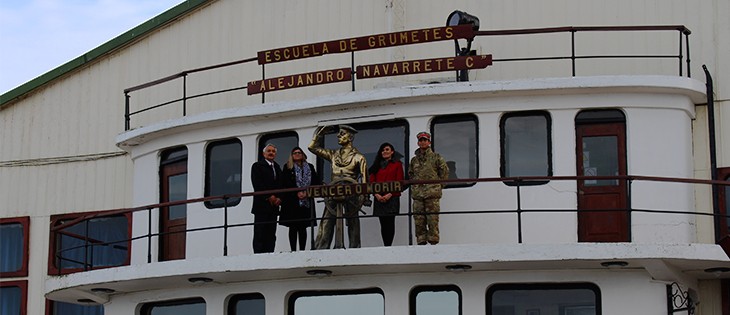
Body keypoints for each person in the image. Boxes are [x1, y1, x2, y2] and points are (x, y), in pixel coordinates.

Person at [308, 125, 368, 249]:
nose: (338, 136)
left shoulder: (359, 158)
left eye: (342, 134)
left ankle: (354, 247)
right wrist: (320, 134)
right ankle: (321, 248)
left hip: (352, 193)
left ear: (350, 137)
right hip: (333, 192)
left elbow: (364, 180)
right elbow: (312, 148)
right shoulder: (333, 155)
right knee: (326, 221)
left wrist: (365, 197)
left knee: (353, 221)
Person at [408, 131, 449, 245]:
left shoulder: (436, 157)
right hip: (418, 195)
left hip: (432, 194)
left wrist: (438, 186)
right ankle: (421, 241)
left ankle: (433, 241)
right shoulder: (414, 160)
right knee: (419, 220)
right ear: (418, 142)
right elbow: (411, 174)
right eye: (420, 140)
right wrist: (415, 186)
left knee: (432, 219)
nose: (422, 142)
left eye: (425, 140)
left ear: (429, 142)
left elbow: (444, 172)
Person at [279, 147, 321, 251]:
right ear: (292, 156)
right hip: (292, 201)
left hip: (306, 201)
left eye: (299, 153)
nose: (297, 154)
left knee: (303, 227)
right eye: (295, 153)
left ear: (303, 155)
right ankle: (293, 249)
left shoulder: (310, 167)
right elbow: (285, 183)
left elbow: (316, 181)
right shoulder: (287, 167)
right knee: (293, 227)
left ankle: (302, 249)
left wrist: (306, 193)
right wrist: (296, 192)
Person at [368, 142, 404, 246]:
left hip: (392, 197)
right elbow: (372, 181)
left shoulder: (397, 164)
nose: (384, 152)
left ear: (392, 152)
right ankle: (385, 245)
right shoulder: (376, 165)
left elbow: (399, 180)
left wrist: (390, 194)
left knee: (390, 222)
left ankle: (389, 245)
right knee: (383, 223)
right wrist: (377, 195)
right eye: (383, 150)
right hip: (379, 197)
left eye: (387, 149)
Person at [250, 143, 283, 253]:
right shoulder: (257, 166)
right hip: (261, 205)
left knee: (271, 232)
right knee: (260, 231)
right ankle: (258, 254)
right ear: (264, 153)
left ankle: (270, 252)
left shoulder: (277, 167)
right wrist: (269, 196)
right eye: (269, 151)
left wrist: (279, 198)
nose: (271, 153)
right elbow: (257, 183)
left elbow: (280, 184)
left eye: (273, 151)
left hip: (273, 207)